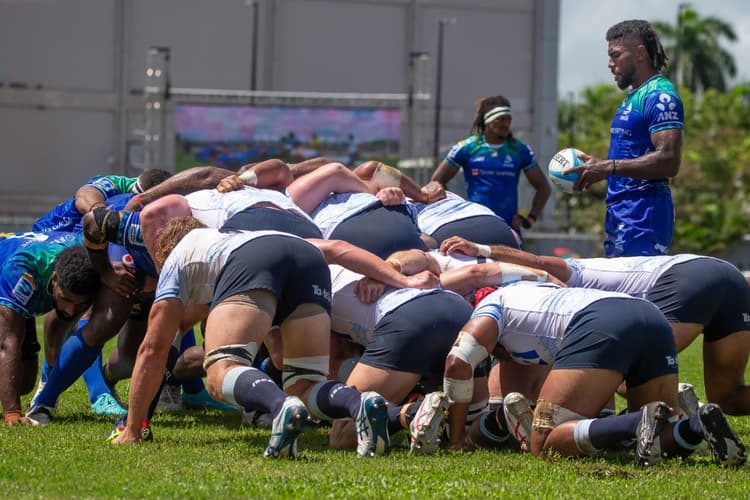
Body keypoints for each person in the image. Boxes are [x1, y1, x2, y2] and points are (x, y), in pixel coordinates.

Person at [109, 218, 428, 458]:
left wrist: (133, 429)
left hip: (255, 261)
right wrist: (401, 279)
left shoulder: (178, 256)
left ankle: (279, 407)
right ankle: (361, 402)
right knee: (304, 385)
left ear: (162, 253)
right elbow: (334, 251)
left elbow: (153, 348)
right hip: (307, 258)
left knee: (220, 371)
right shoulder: (231, 238)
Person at [442, 281, 746, 467]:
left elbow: (457, 364)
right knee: (658, 432)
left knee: (544, 444)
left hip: (600, 321)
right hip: (649, 315)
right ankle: (696, 424)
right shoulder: (537, 296)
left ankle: (637, 419)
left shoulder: (489, 307)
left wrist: (456, 440)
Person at [440, 236, 750, 416]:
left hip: (684, 279)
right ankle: (682, 413)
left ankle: (683, 417)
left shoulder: (576, 272)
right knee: (729, 397)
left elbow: (537, 260)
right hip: (730, 277)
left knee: (628, 365)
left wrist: (482, 250)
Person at [566, 20, 683, 257]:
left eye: (616, 55)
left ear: (640, 53)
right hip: (621, 213)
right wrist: (597, 168)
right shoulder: (633, 97)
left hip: (643, 216)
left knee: (634, 293)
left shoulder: (659, 95)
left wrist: (609, 167)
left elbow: (669, 160)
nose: (610, 64)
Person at [0, 232, 100, 425]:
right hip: (8, 276)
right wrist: (13, 413)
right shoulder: (22, 272)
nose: (71, 310)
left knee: (24, 382)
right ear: (54, 279)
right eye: (66, 299)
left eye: (81, 304)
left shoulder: (87, 257)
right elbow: (6, 344)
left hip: (25, 295)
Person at [426, 95, 550, 239]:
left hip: (508, 230)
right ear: (487, 121)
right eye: (500, 119)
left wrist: (529, 219)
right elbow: (436, 182)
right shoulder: (467, 148)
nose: (506, 124)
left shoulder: (520, 150)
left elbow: (543, 187)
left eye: (508, 119)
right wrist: (456, 211)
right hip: (476, 226)